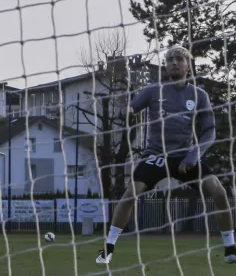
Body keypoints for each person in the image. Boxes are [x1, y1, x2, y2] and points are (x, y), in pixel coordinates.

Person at [97, 46, 236, 265]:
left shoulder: (199, 95)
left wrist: (193, 156)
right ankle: (108, 248)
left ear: (188, 65)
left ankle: (230, 246)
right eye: (169, 59)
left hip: (185, 157)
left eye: (179, 59)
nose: (173, 62)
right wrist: (127, 111)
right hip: (156, 155)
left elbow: (209, 132)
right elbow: (131, 109)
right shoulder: (153, 91)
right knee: (130, 195)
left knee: (218, 193)